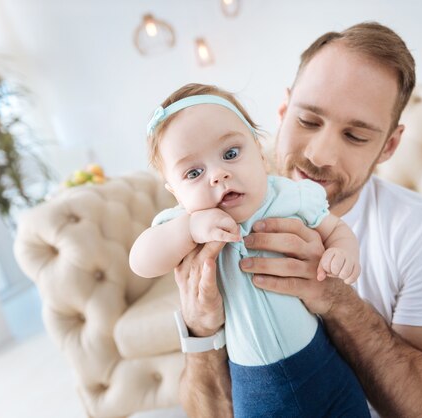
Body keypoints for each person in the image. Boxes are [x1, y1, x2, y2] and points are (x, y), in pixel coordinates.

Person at [172, 22, 422, 418]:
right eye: (308, 121)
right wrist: (201, 331)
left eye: (356, 136)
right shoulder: (209, 223)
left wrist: (338, 302)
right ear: (283, 110)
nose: (321, 154)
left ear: (389, 146)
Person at [129, 84, 371, 417]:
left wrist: (344, 252)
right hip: (255, 384)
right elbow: (140, 260)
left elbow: (335, 228)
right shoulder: (188, 223)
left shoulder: (289, 196)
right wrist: (188, 229)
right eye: (194, 173)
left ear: (259, 153)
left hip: (321, 362)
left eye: (230, 154)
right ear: (175, 192)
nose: (218, 175)